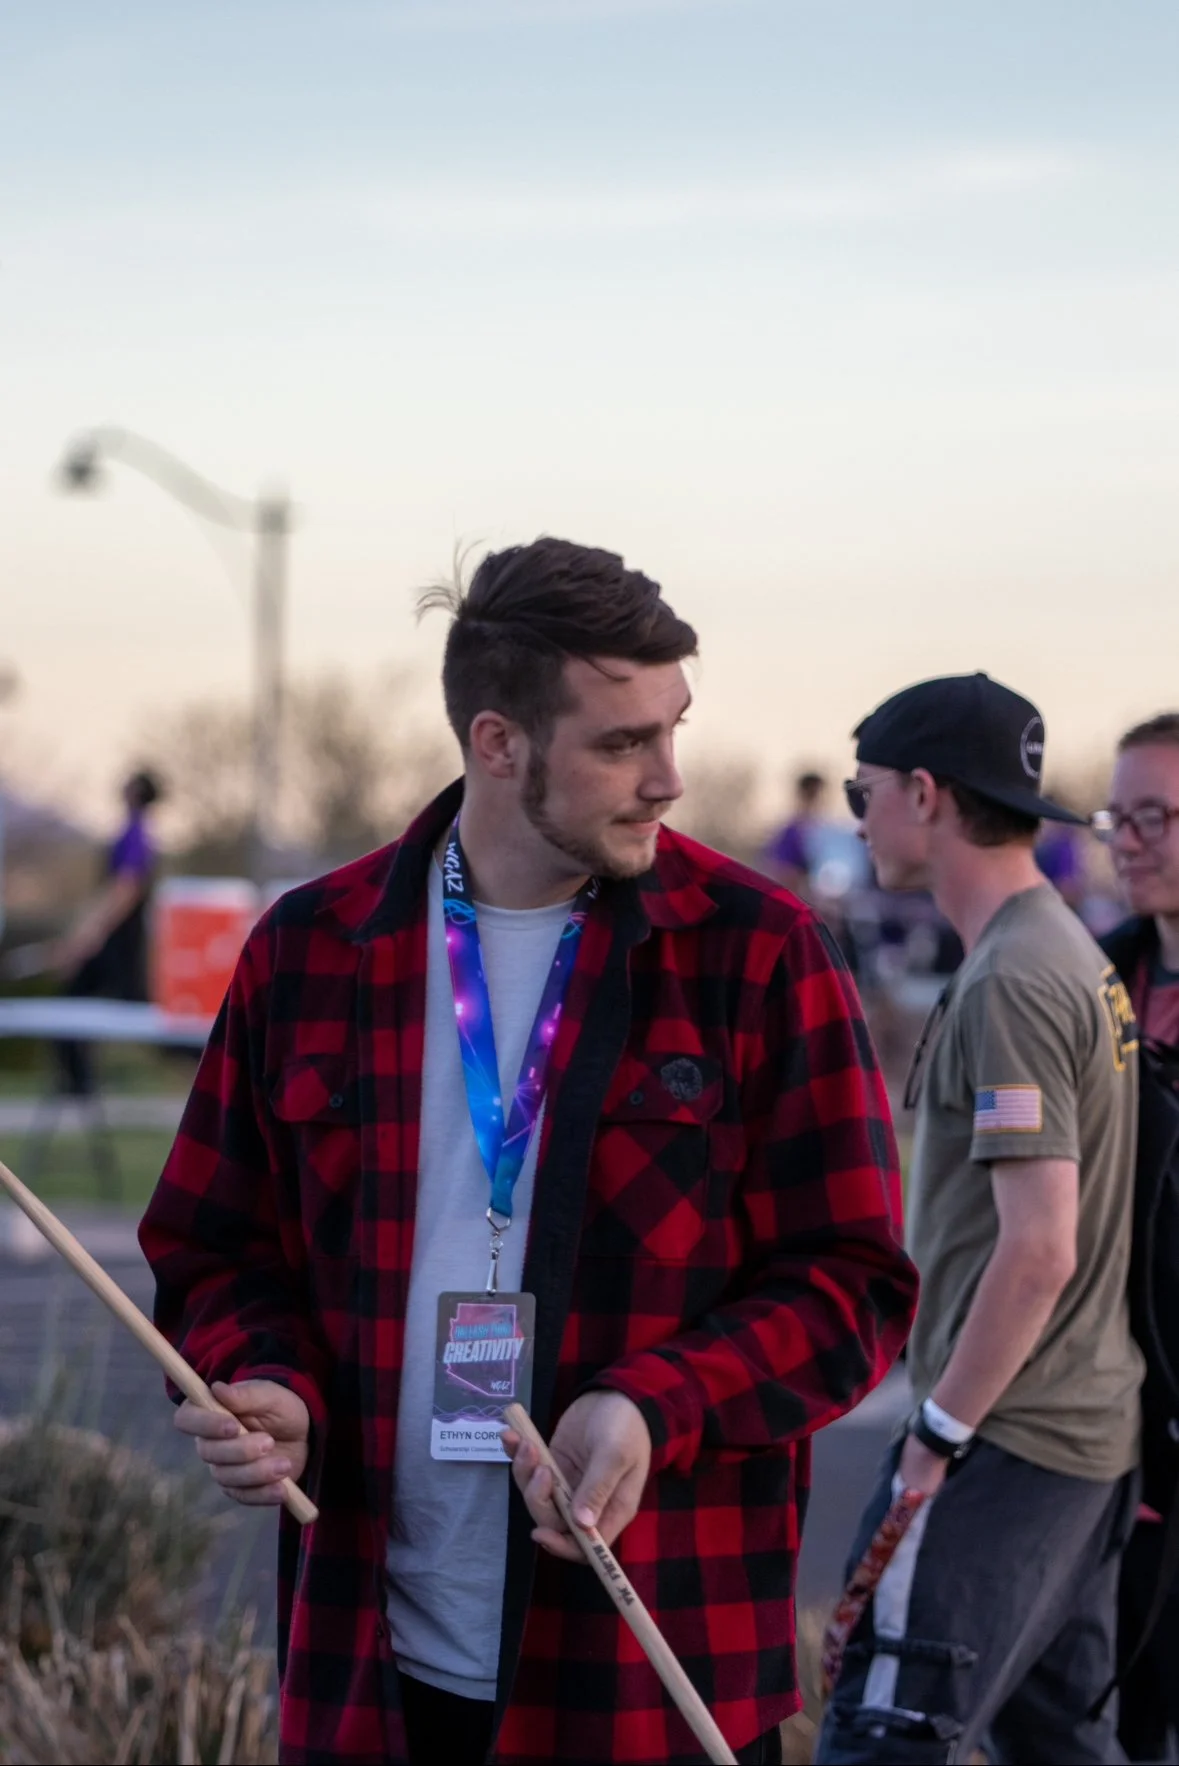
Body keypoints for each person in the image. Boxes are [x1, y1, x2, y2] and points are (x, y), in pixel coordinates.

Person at [139, 538, 917, 1766]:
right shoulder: (310, 950)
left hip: (649, 1666)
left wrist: (652, 1402)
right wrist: (268, 1375)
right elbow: (212, 1245)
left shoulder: (760, 952)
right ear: (496, 742)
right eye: (621, 743)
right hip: (373, 1658)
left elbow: (853, 1284)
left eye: (675, 727)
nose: (670, 776)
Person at [816, 672, 1143, 1766]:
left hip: (1009, 1436)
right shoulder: (1059, 951)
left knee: (880, 1739)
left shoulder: (1015, 976)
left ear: (924, 792)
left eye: (865, 797)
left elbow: (1040, 1243)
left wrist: (937, 1431)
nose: (858, 823)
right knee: (1063, 1747)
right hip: (1072, 1433)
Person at [1094, 711, 1179, 1765]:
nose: (1131, 836)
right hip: (1126, 1411)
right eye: (1121, 812)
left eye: (1157, 812)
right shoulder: (1099, 976)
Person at [51, 767, 163, 1096]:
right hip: (117, 935)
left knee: (87, 1002)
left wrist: (90, 934)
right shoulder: (134, 831)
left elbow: (125, 889)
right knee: (82, 1002)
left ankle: (78, 1083)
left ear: (138, 792)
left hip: (118, 938)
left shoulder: (136, 833)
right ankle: (78, 1082)